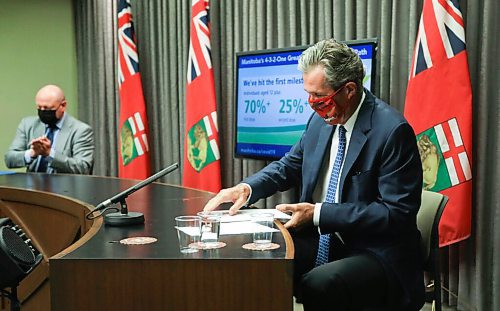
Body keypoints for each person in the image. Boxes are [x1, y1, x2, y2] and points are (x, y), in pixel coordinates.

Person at [204, 39, 424, 310]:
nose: (312, 106)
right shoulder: (321, 120)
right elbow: (288, 166)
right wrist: (247, 188)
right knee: (257, 254)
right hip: (324, 238)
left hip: (375, 251)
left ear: (350, 90)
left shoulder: (392, 131)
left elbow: (395, 214)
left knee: (318, 284)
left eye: (320, 100)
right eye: (308, 96)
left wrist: (318, 214)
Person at [4, 84, 94, 174]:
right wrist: (32, 153)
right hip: (32, 185)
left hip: (64, 187)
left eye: (47, 108)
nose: (43, 111)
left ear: (63, 106)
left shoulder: (80, 130)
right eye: (39, 107)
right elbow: (9, 159)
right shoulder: (27, 125)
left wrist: (50, 154)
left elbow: (83, 168)